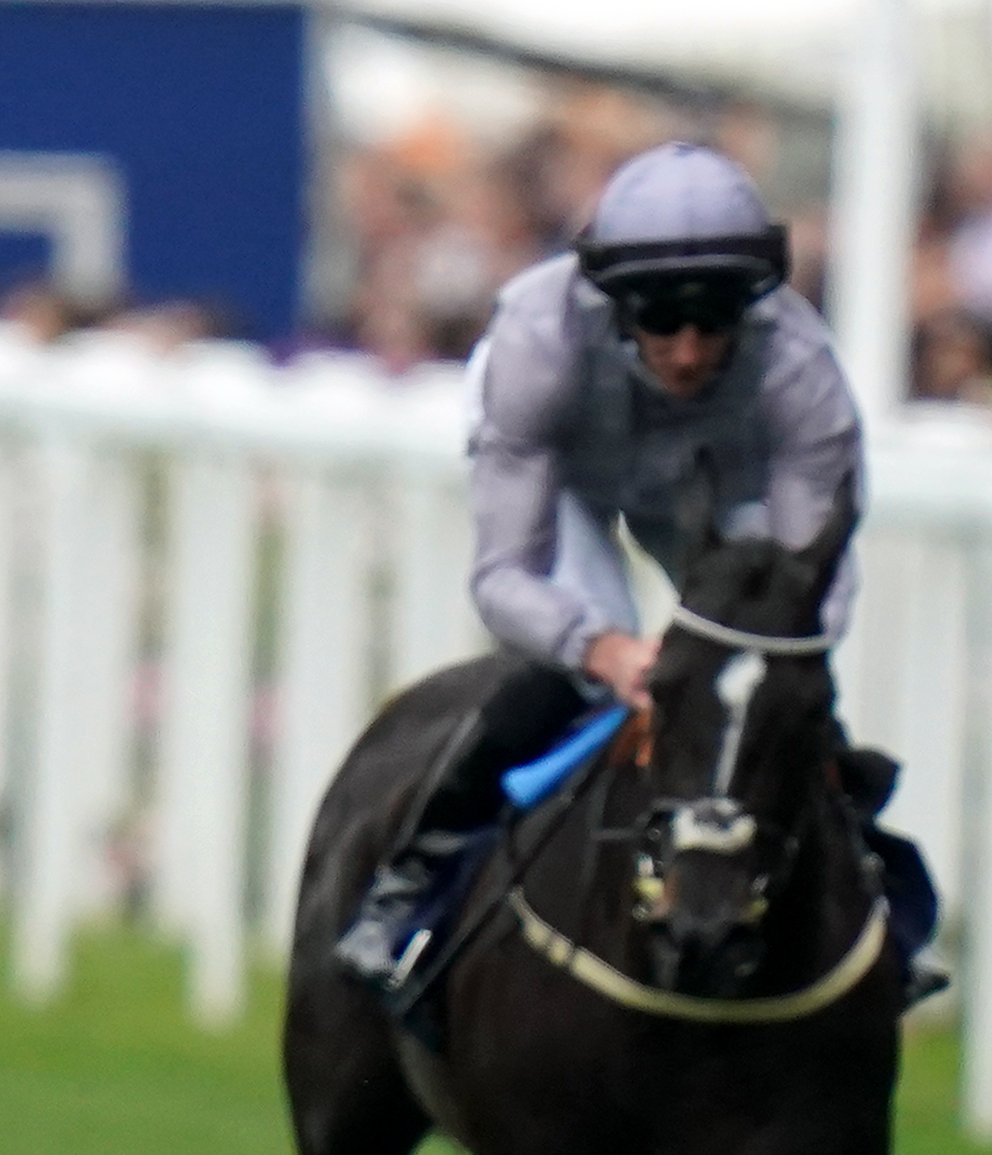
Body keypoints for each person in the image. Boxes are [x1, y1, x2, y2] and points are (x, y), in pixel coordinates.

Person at [335, 141, 865, 993]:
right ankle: (409, 885)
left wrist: (739, 662)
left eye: (714, 319)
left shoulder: (802, 373)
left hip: (717, 480)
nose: (688, 352)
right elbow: (504, 577)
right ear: (613, 302)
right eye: (660, 320)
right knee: (578, 677)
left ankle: (882, 900)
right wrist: (605, 650)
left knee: (766, 688)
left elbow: (813, 592)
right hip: (571, 480)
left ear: (754, 303)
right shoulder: (537, 342)